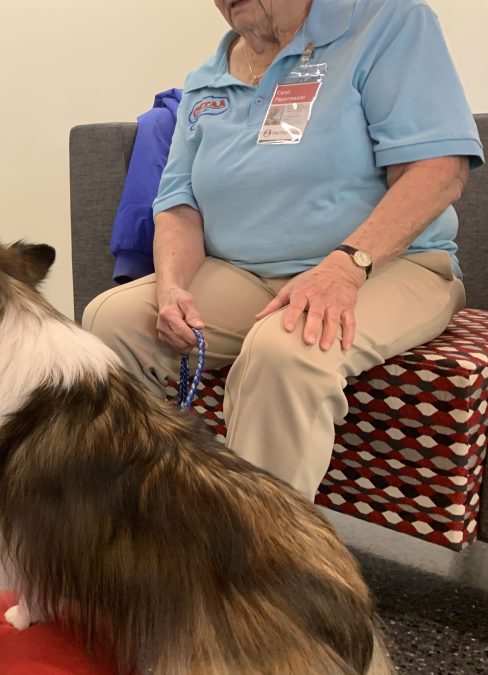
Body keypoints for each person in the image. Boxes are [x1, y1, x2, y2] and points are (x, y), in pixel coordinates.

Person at [83, 0, 484, 499]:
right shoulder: (206, 78)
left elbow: (438, 170)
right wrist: (170, 289)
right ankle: (147, 526)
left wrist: (345, 267)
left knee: (284, 349)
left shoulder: (387, 23)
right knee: (112, 321)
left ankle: (260, 566)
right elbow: (178, 204)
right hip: (245, 272)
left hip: (387, 265)